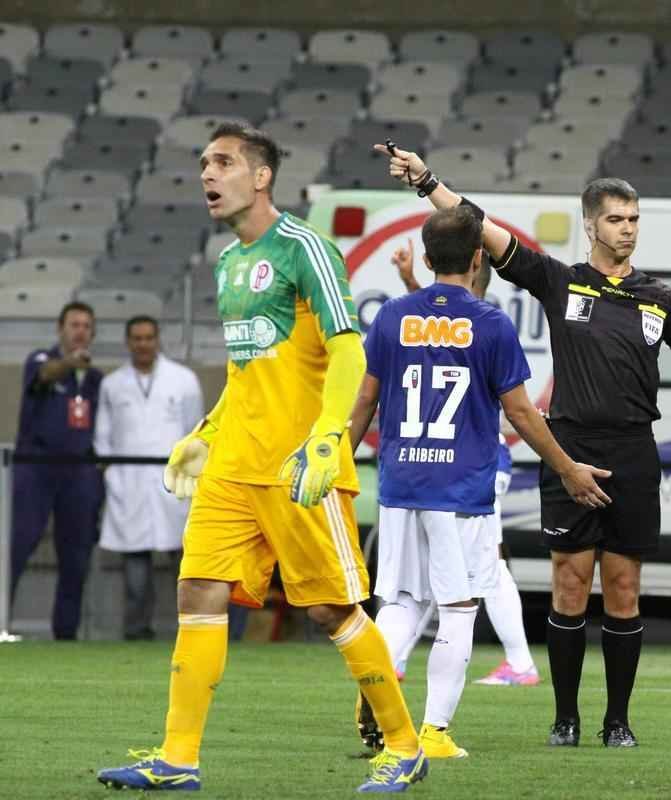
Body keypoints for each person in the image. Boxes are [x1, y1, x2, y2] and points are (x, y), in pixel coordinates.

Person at [376, 144, 671, 748]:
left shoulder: (659, 298)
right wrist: (427, 181)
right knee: (569, 587)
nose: (627, 229)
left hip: (634, 451)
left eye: (634, 220)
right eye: (615, 219)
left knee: (624, 589)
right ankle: (564, 718)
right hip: (571, 444)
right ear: (591, 225)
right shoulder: (561, 283)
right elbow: (482, 228)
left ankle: (618, 721)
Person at [97, 123, 427, 794]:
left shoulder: (306, 247)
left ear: (261, 175)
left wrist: (330, 435)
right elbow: (250, 372)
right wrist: (205, 432)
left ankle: (404, 745)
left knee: (332, 610)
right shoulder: (226, 265)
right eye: (203, 164)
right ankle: (178, 758)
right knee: (197, 591)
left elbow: (347, 348)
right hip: (233, 468)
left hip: (297, 467)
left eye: (221, 163)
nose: (206, 176)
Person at [348, 207, 609, 759]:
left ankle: (378, 690)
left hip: (399, 486)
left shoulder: (392, 316)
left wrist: (340, 461)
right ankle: (433, 732)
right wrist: (566, 467)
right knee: (460, 606)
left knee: (398, 603)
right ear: (477, 258)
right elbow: (520, 411)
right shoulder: (490, 324)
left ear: (424, 258)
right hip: (462, 491)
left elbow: (366, 400)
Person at [390, 237, 542, 688]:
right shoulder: (478, 322)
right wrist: (410, 281)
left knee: (475, 567)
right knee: (469, 565)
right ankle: (516, 661)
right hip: (470, 462)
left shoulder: (481, 323)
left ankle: (516, 661)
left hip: (476, 463)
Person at [95, 316, 204, 641]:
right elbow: (103, 438)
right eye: (136, 338)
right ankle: (136, 633)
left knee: (184, 567)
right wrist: (112, 475)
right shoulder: (112, 384)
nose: (143, 344)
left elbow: (196, 433)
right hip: (129, 487)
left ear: (158, 340)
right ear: (128, 342)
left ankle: (194, 631)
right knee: (136, 573)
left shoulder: (183, 380)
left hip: (174, 487)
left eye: (148, 338)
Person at [10, 301, 105, 641]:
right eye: (74, 325)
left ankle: (65, 634)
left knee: (75, 555)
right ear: (60, 329)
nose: (80, 331)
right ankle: (1, 621)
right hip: (35, 469)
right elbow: (46, 376)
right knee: (16, 546)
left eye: (86, 326)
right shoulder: (40, 360)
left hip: (77, 472)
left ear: (93, 333)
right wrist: (69, 363)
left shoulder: (95, 379)